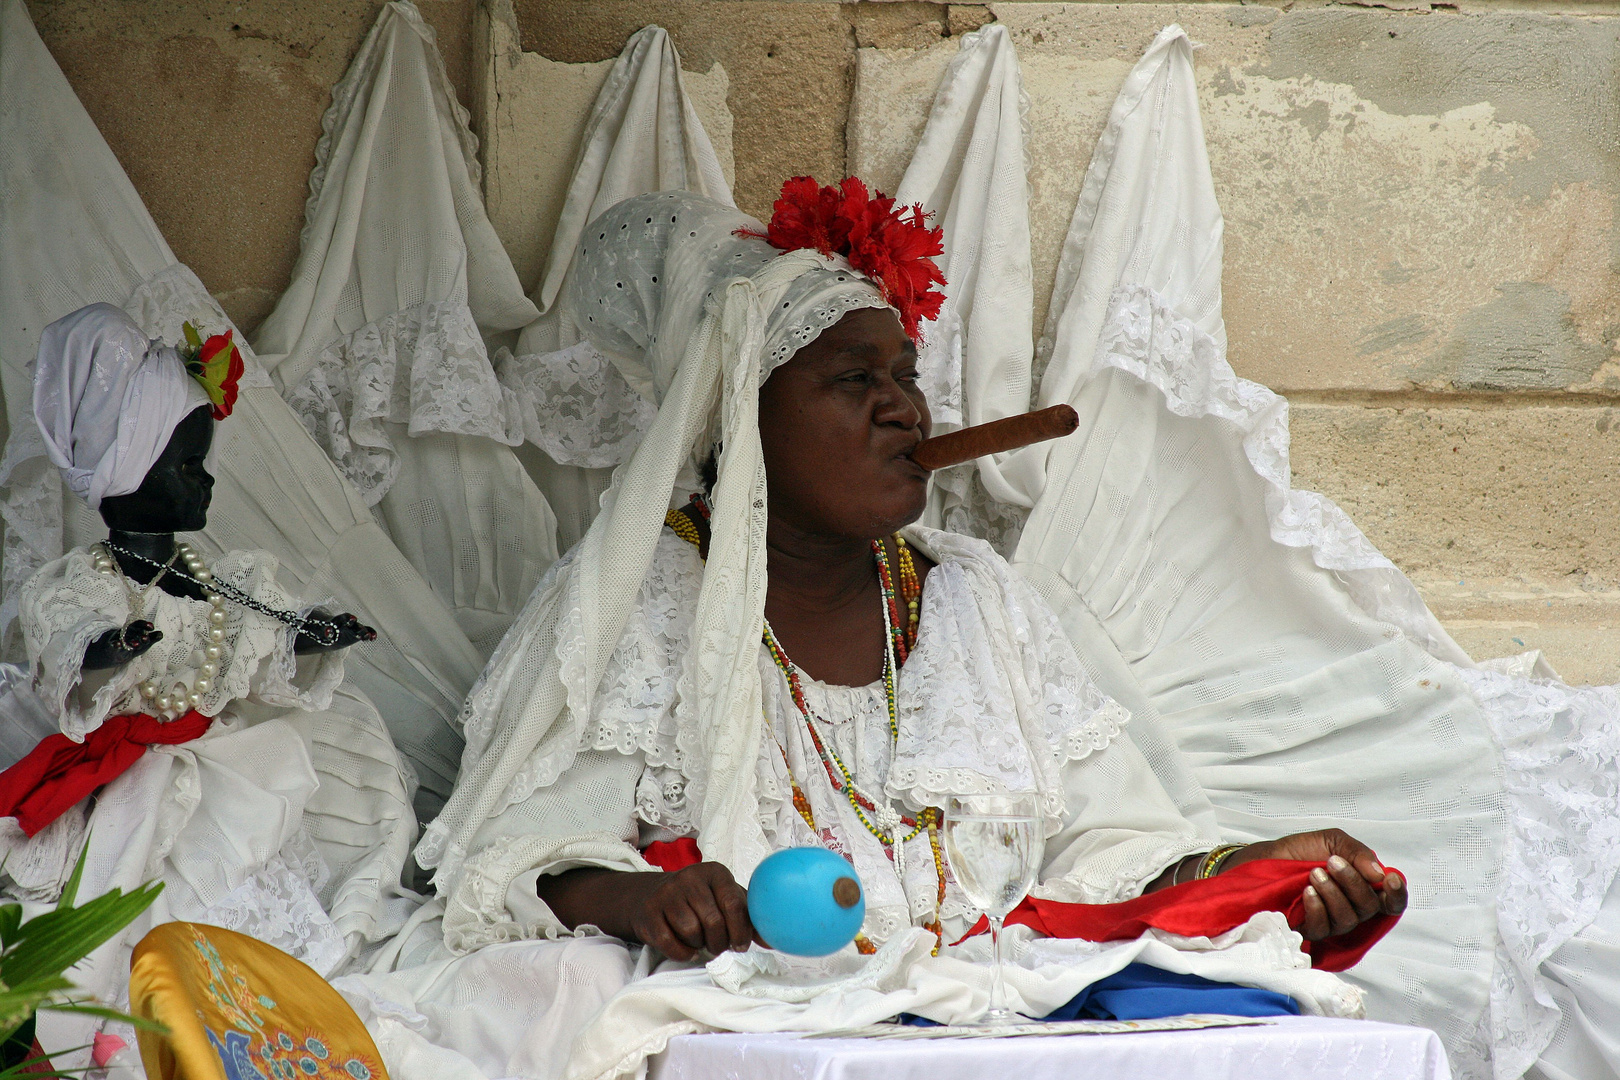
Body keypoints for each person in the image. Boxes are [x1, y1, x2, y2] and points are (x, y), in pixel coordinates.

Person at [339, 185, 1401, 1080]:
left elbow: (1100, 851)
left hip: (983, 1007)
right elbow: (517, 853)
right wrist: (648, 898)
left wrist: (1259, 868)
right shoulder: (642, 602)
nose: (904, 412)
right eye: (853, 381)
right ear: (738, 417)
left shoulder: (977, 599)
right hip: (769, 1013)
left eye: (905, 380)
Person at [2, 304, 417, 1046]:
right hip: (131, 782)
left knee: (268, 868)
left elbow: (257, 645)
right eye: (187, 466)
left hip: (221, 762)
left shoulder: (218, 578)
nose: (206, 483)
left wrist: (308, 638)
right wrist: (105, 649)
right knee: (137, 914)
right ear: (127, 471)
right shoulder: (83, 584)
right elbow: (66, 639)